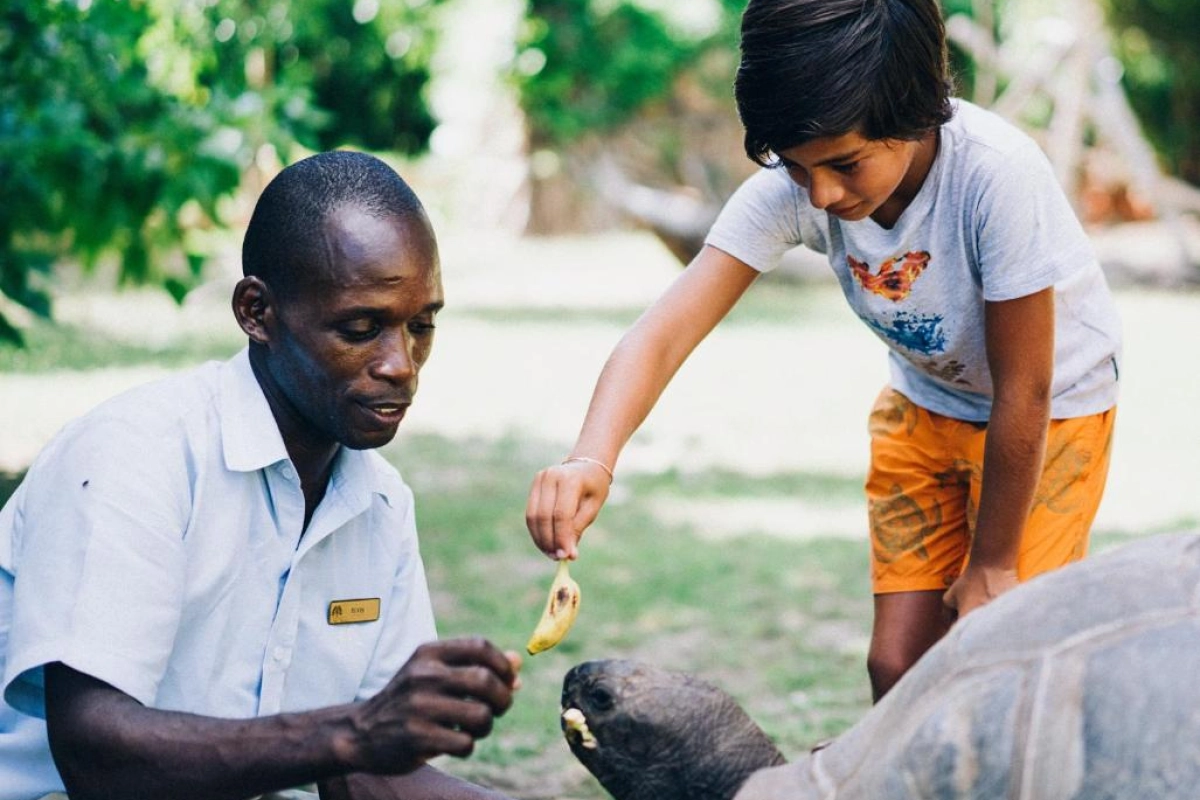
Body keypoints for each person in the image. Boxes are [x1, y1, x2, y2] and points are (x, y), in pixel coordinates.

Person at [525, 0, 1121, 702]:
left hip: (1048, 424)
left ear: (917, 111)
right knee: (895, 667)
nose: (823, 192)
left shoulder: (997, 177)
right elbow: (663, 333)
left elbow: (1027, 390)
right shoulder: (800, 186)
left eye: (844, 164)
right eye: (798, 167)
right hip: (924, 408)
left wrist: (992, 563)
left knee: (994, 669)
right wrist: (591, 457)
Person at [0, 150, 521, 799]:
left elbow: (365, 773)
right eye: (362, 328)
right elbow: (94, 754)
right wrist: (353, 730)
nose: (402, 365)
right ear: (256, 312)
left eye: (422, 326)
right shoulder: (135, 458)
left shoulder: (379, 502)